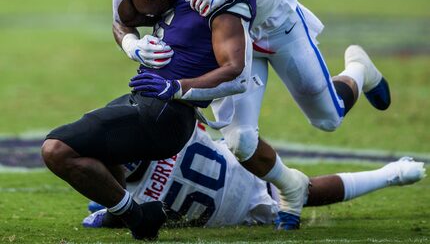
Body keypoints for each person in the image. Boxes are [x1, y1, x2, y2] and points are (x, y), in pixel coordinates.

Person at [113, 0, 391, 230]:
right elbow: (122, 18)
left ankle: (359, 70)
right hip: (225, 42)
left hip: (275, 23)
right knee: (241, 141)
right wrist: (133, 43)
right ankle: (289, 186)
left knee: (327, 118)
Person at [41, 0, 257, 241]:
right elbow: (124, 17)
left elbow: (236, 73)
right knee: (95, 149)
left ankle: (137, 216)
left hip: (168, 112)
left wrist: (176, 87)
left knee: (57, 149)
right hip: (148, 101)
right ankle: (127, 212)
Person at [82, 122, 426, 229]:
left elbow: (100, 217)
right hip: (244, 169)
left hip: (247, 207)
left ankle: (391, 174)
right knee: (300, 187)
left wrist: (107, 209)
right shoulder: (171, 134)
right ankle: (391, 174)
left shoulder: (137, 199)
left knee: (306, 193)